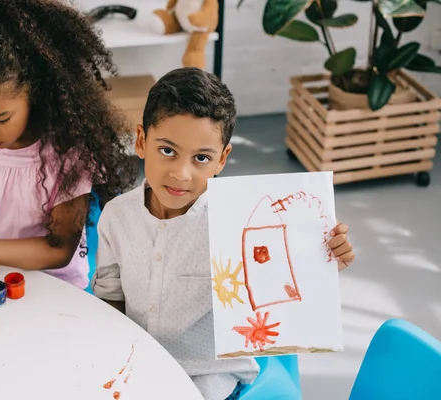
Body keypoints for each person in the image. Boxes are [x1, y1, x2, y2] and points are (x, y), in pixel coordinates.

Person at [91, 67, 356, 400]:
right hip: (136, 367)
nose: (181, 174)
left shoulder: (239, 224)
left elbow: (280, 283)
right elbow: (110, 297)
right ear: (141, 141)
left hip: (207, 378)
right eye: (167, 151)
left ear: (222, 159)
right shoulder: (116, 216)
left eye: (201, 158)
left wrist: (321, 261)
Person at [0, 0, 136, 308]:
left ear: (36, 92)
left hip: (55, 287)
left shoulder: (64, 155)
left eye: (1, 118)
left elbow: (59, 250)